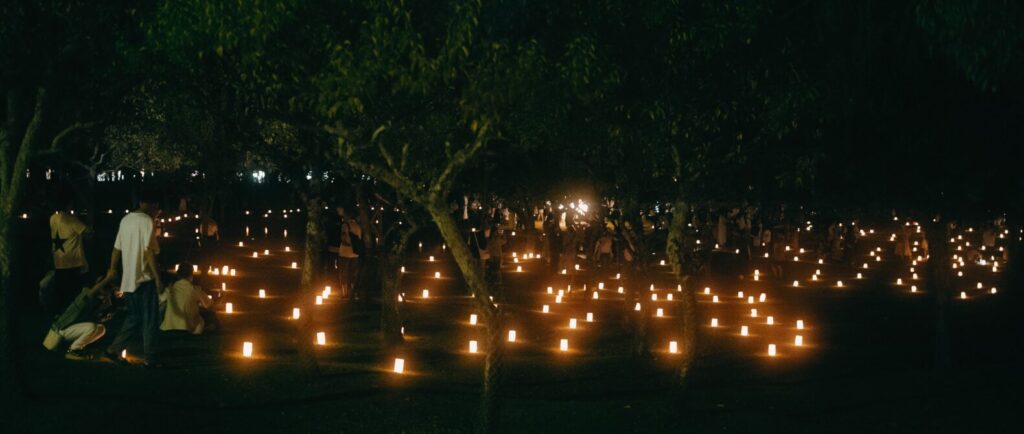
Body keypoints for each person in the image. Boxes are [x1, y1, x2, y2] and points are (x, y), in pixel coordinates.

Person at [104, 189, 163, 366]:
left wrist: (112, 269)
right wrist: (158, 278)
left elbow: (117, 248)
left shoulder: (126, 219)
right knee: (150, 320)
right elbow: (149, 252)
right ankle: (150, 358)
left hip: (128, 279)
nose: (156, 212)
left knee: (134, 317)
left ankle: (113, 350)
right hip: (144, 278)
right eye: (156, 209)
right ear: (152, 205)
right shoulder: (147, 221)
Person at [43, 275, 115, 360]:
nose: (108, 293)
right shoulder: (85, 294)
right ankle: (73, 350)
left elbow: (89, 320)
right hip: (61, 330)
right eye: (107, 289)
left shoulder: (95, 302)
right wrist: (108, 278)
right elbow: (94, 291)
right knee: (92, 327)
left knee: (101, 329)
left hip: (70, 331)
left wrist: (103, 311)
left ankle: (77, 348)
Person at [47, 196, 92, 314]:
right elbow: (88, 231)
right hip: (73, 262)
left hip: (59, 261)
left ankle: (59, 315)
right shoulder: (72, 220)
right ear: (69, 205)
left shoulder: (53, 218)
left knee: (61, 293)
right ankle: (72, 316)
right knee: (73, 294)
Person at [161, 263, 216, 334]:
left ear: (178, 275)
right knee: (201, 320)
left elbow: (160, 299)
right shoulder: (194, 289)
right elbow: (208, 305)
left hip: (169, 327)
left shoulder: (170, 289)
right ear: (191, 275)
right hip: (187, 327)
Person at [337, 206, 363, 300]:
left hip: (345, 252)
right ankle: (354, 293)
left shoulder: (345, 225)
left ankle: (345, 294)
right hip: (355, 253)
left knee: (343, 273)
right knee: (353, 273)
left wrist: (345, 241)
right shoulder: (358, 226)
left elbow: (344, 239)